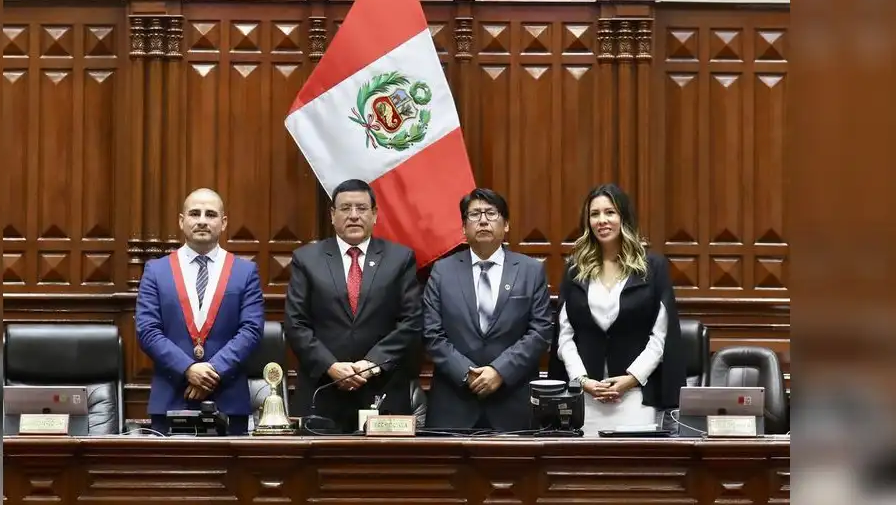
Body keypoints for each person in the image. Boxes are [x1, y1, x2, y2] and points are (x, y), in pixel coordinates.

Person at [284, 179, 421, 432]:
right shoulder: (306, 259)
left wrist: (372, 364)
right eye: (346, 208)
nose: (354, 215)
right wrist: (331, 366)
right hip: (322, 391)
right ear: (332, 215)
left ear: (375, 214)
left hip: (382, 390)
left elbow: (411, 321)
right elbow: (296, 323)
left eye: (362, 208)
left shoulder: (400, 258)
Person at [548, 183, 685, 436]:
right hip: (586, 399)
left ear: (624, 217)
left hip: (636, 398)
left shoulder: (652, 268)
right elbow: (564, 336)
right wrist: (583, 381)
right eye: (595, 214)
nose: (602, 220)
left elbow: (660, 337)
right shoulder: (575, 269)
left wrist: (631, 379)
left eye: (610, 212)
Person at [135, 188, 265, 435]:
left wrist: (212, 372)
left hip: (228, 399)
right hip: (171, 398)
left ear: (223, 223)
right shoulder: (156, 271)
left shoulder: (245, 272)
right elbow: (147, 331)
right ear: (181, 221)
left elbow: (251, 330)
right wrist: (188, 368)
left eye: (210, 214)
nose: (202, 220)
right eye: (195, 213)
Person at [423, 188, 553, 432]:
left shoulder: (530, 270)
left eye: (491, 213)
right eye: (474, 214)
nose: (483, 220)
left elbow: (540, 331)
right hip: (454, 404)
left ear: (506, 225)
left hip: (512, 402)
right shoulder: (442, 271)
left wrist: (500, 371)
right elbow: (431, 333)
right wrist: (466, 373)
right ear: (463, 228)